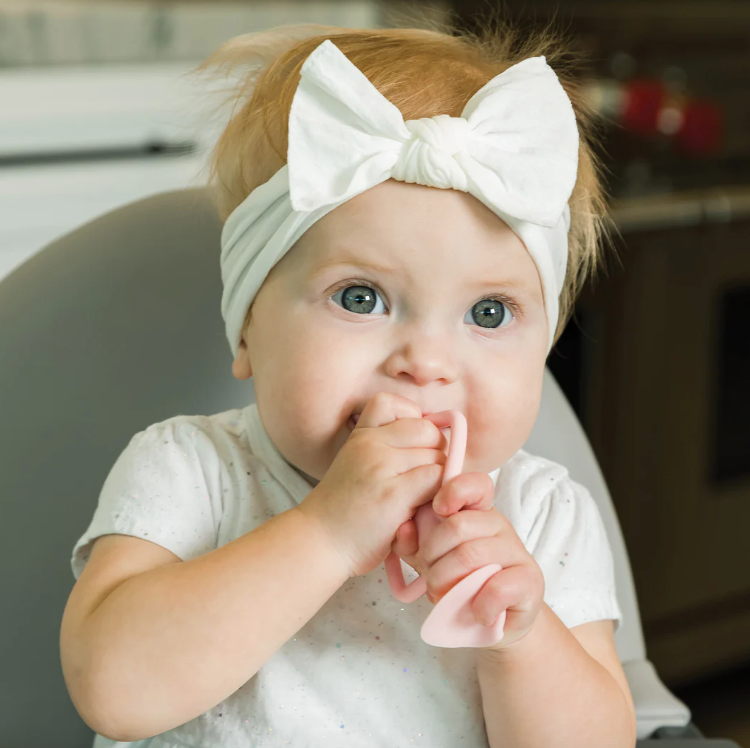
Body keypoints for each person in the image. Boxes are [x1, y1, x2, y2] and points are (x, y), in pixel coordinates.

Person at [60, 15, 637, 748]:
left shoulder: (544, 518)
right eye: (360, 297)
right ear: (247, 330)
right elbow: (113, 691)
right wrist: (326, 532)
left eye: (488, 312)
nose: (426, 363)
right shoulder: (191, 471)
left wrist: (519, 638)